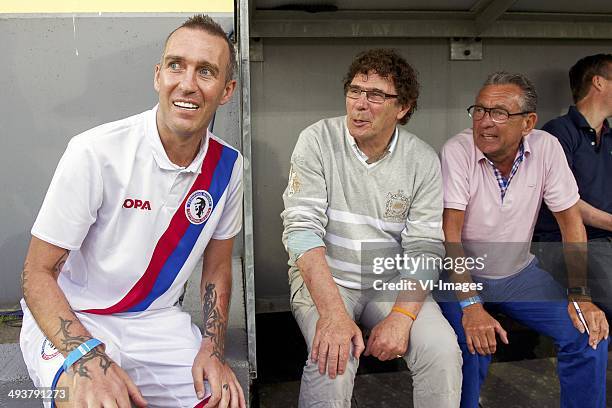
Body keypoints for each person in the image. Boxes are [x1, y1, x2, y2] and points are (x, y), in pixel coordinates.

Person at [20, 14, 246, 408]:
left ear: (226, 90)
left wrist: (212, 347)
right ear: (158, 75)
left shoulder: (228, 167)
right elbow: (36, 274)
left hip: (155, 322)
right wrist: (86, 355)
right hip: (73, 316)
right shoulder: (95, 151)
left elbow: (217, 268)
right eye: (176, 65)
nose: (187, 83)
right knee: (96, 402)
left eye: (205, 71)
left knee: (224, 400)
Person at [281, 48, 462, 408]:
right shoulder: (317, 140)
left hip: (390, 281)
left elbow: (426, 247)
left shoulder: (422, 160)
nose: (360, 104)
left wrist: (401, 316)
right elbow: (301, 230)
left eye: (376, 95)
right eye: (354, 91)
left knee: (442, 351)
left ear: (403, 107)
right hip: (329, 279)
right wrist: (332, 316)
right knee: (332, 356)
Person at [438, 71, 609, 408]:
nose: (485, 123)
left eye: (500, 113)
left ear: (528, 122)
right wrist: (471, 306)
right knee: (472, 344)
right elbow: (450, 234)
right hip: (461, 275)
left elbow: (572, 224)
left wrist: (581, 294)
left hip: (519, 275)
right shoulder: (457, 151)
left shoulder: (546, 147)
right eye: (480, 110)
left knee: (588, 332)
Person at [534, 54, 612, 316]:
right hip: (566, 243)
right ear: (598, 82)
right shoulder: (558, 132)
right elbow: (566, 202)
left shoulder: (609, 135)